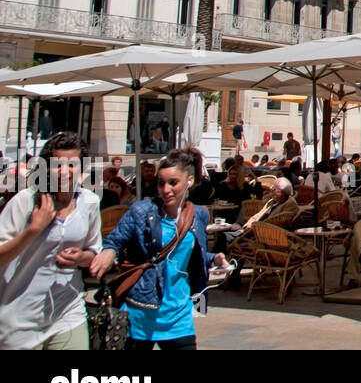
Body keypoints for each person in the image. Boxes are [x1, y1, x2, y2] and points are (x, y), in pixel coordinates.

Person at [90, 147, 227, 350]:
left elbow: (188, 255)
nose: (165, 190)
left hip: (179, 317)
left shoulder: (198, 215)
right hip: (141, 312)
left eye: (173, 183)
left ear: (189, 181)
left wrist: (213, 258)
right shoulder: (141, 211)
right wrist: (108, 253)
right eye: (161, 183)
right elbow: (115, 241)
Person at [0, 133, 102, 349]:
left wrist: (83, 258)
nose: (65, 172)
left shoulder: (90, 202)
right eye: (58, 165)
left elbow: (93, 249)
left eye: (72, 165)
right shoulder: (25, 202)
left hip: (67, 312)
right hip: (17, 316)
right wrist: (33, 230)